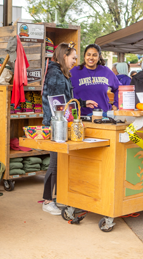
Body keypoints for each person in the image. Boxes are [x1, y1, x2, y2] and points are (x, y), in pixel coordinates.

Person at [42, 42, 98, 215]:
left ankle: (60, 197)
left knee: (62, 163)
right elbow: (57, 103)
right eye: (73, 58)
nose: (75, 61)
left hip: (61, 124)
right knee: (55, 163)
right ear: (64, 56)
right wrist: (67, 120)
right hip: (56, 125)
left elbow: (66, 100)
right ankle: (47, 200)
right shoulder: (55, 74)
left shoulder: (61, 74)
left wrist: (81, 103)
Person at [70, 44, 120, 116]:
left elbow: (119, 88)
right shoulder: (74, 72)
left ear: (99, 57)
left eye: (94, 55)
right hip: (81, 117)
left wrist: (116, 104)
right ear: (84, 56)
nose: (91, 58)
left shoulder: (106, 71)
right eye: (88, 54)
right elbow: (66, 92)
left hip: (103, 116)